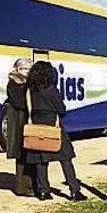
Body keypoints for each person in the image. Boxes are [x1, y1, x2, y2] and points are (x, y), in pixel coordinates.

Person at [24, 61, 86, 202]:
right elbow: (61, 110)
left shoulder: (30, 91)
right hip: (54, 128)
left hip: (37, 128)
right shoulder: (51, 90)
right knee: (65, 159)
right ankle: (74, 191)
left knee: (41, 161)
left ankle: (44, 191)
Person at [4, 58, 33, 196]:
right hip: (18, 123)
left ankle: (29, 185)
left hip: (26, 122)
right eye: (23, 68)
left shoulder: (29, 83)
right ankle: (22, 188)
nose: (25, 71)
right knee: (21, 155)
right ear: (17, 69)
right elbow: (19, 102)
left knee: (28, 154)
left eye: (28, 69)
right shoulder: (13, 83)